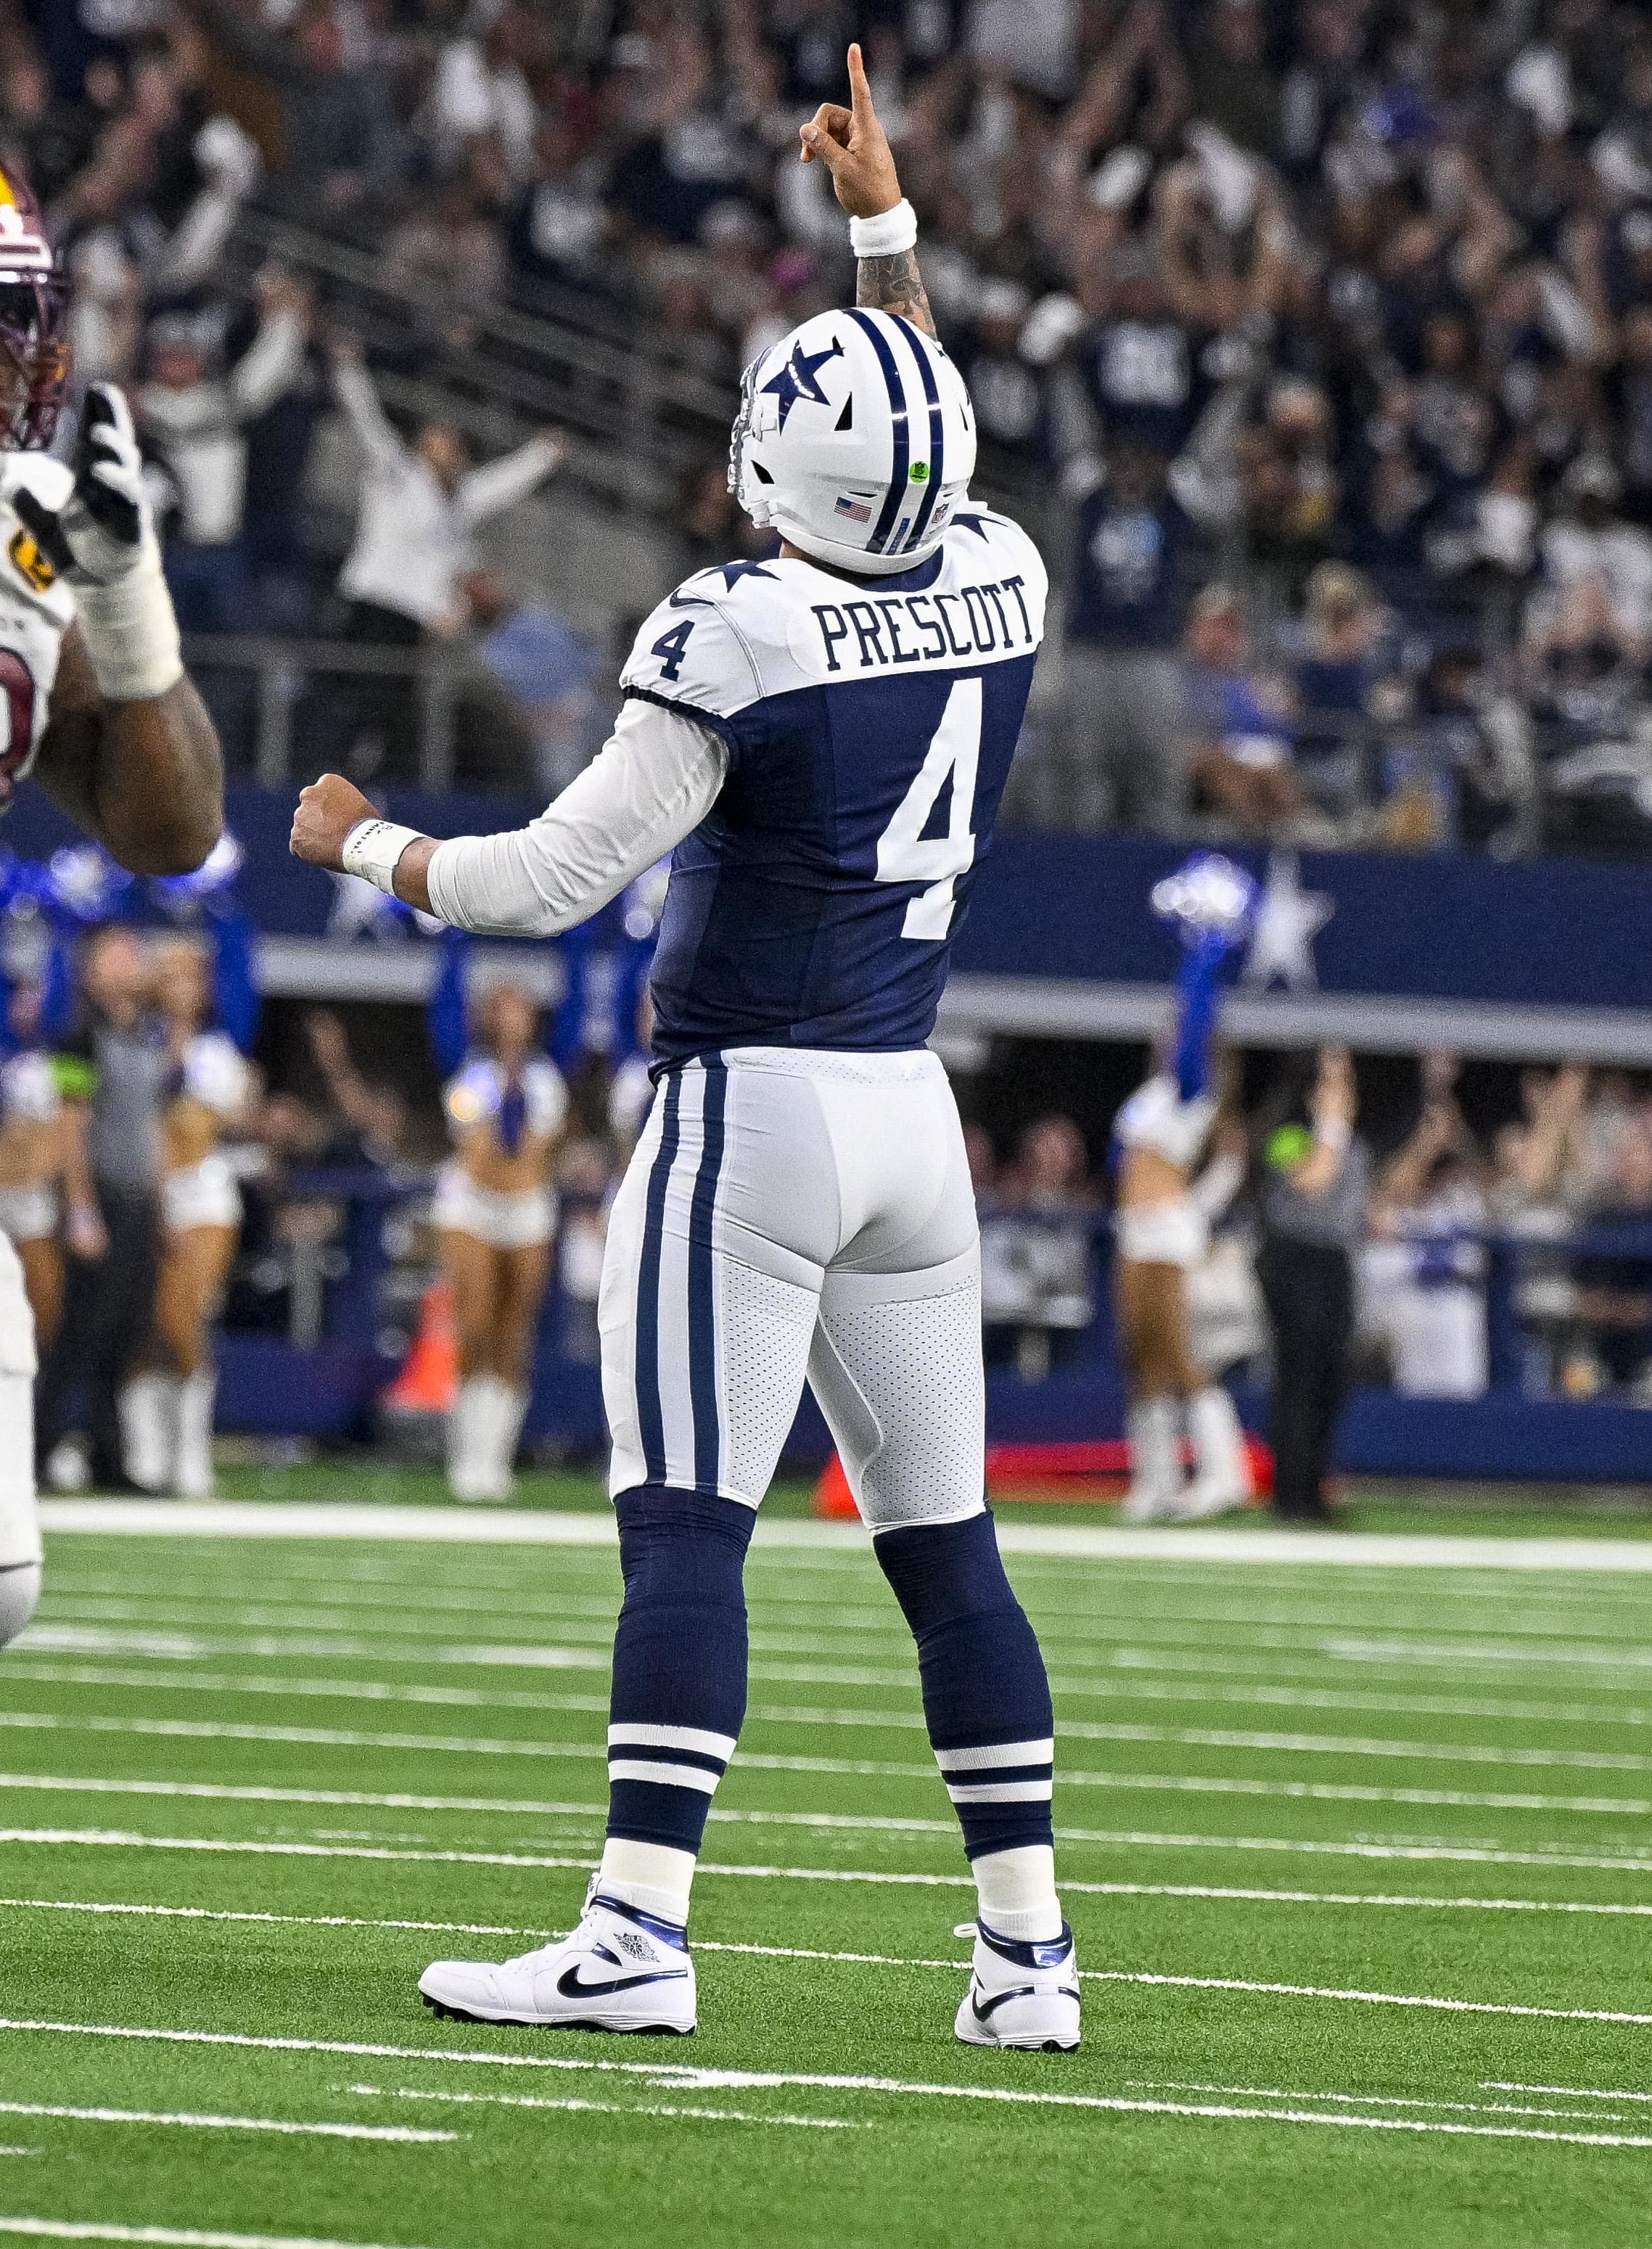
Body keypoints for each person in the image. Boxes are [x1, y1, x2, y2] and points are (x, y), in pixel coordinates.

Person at [293, 46, 1079, 2055]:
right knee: (947, 1551)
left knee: (684, 1523)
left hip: (751, 1106)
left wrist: (366, 841)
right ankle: (1024, 1960)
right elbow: (911, 441)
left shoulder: (736, 631)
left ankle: (637, 1930)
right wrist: (880, 235)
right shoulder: (1000, 576)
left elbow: (551, 879)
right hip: (915, 1114)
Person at [0, 154, 225, 1644]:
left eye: (20, 322)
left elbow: (175, 823)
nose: (23, 360)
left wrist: (123, 590)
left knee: (4, 1584)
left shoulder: (27, 531)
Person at [321, 337, 565, 779]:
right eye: (437, 441)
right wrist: (350, 371)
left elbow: (499, 485)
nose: (445, 450)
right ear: (423, 446)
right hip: (372, 605)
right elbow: (368, 423)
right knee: (353, 699)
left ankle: (363, 782)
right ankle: (325, 774)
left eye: (452, 445)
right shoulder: (398, 475)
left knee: (393, 711)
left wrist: (542, 455)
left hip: (413, 619)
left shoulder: (457, 501)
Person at [1113, 853, 1254, 1523]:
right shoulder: (1149, 1096)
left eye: (1180, 1037)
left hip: (1170, 1226)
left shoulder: (1192, 1093)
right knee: (1138, 1356)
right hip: (1133, 1227)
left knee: (1178, 1353)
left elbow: (1195, 1011)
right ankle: (1156, 1482)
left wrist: (1206, 945)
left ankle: (1226, 1475)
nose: (1171, 1037)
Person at [427, 934, 570, 1503]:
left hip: (526, 1209)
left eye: (521, 1007)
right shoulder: (470, 1077)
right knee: (476, 1321)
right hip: (473, 1206)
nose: (512, 1017)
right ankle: (465, 1456)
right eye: (501, 1007)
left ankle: (496, 1456)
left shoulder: (544, 1080)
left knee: (515, 1332)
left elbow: (538, 1149)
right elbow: (473, 1146)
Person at [118, 933, 255, 1497]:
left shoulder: (217, 1052)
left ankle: (191, 1453)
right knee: (140, 1322)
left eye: (191, 975)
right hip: (141, 1194)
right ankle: (144, 1452)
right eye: (170, 973)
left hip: (201, 1195)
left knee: (183, 1314)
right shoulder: (131, 1041)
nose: (180, 984)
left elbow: (234, 1119)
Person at [1254, 1046, 1369, 1524]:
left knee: (1330, 1382)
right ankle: (1288, 1495)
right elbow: (1313, 1182)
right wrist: (1330, 1126)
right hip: (1294, 1260)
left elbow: (1355, 1206)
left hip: (1334, 1264)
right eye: (1331, 1082)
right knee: (1297, 1379)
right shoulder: (1288, 1137)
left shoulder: (1353, 1146)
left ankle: (1314, 1489)